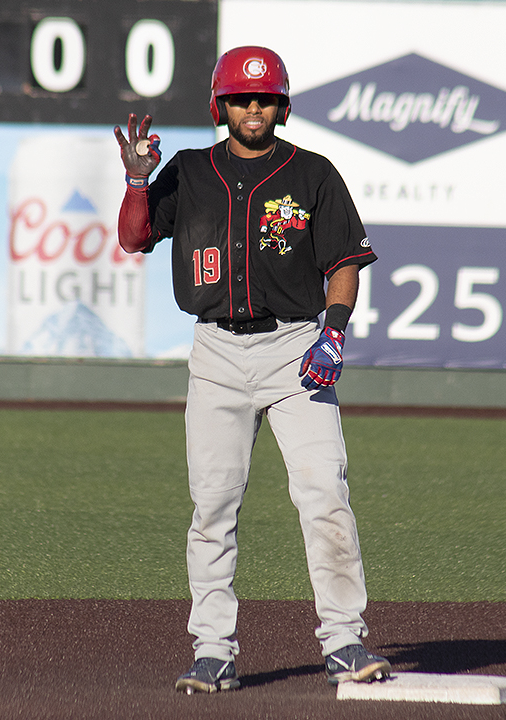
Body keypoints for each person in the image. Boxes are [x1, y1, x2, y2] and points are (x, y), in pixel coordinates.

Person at [113, 45, 390, 694]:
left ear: (281, 105)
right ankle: (213, 650)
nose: (253, 107)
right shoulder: (188, 172)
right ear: (221, 105)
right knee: (212, 507)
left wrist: (334, 331)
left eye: (264, 97)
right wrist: (134, 181)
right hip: (215, 354)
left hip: (295, 348)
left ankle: (345, 643)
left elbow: (343, 260)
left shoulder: (313, 173)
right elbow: (133, 238)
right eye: (241, 97)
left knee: (325, 495)